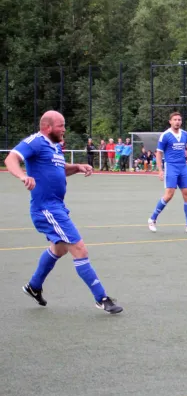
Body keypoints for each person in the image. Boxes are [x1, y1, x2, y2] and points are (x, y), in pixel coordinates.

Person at [3, 110, 122, 314]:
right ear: (48, 127)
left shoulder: (55, 146)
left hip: (57, 207)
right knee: (79, 249)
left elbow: (59, 169)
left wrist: (76, 167)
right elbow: (11, 159)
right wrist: (23, 176)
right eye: (61, 125)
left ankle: (33, 286)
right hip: (46, 208)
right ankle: (101, 298)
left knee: (60, 249)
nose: (64, 129)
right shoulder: (36, 141)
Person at [147, 112, 187, 233]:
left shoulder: (185, 134)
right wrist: (160, 170)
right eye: (175, 119)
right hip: (171, 167)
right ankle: (152, 219)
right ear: (170, 121)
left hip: (183, 167)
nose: (177, 122)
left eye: (179, 119)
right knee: (169, 194)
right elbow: (158, 153)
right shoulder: (165, 135)